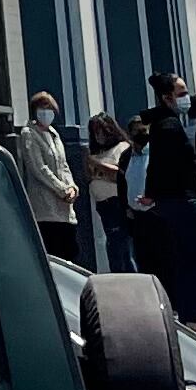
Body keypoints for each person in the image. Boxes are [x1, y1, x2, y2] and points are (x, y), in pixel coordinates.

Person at [137, 72, 196, 321]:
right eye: (181, 94)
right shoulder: (169, 126)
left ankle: (191, 315)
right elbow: (167, 164)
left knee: (185, 257)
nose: (186, 98)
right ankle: (193, 315)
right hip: (182, 198)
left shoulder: (165, 122)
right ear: (167, 97)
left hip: (172, 198)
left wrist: (152, 194)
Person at [18, 91, 83, 263]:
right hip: (46, 209)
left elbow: (64, 165)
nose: (46, 112)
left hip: (65, 210)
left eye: (49, 108)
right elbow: (39, 168)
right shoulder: (29, 134)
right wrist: (61, 189)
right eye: (42, 108)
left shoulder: (54, 135)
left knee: (71, 254)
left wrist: (72, 187)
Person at [85, 112, 139, 273]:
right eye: (95, 132)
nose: (98, 135)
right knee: (113, 245)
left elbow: (119, 174)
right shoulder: (97, 152)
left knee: (122, 248)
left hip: (117, 203)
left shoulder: (122, 148)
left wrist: (97, 164)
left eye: (101, 130)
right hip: (103, 205)